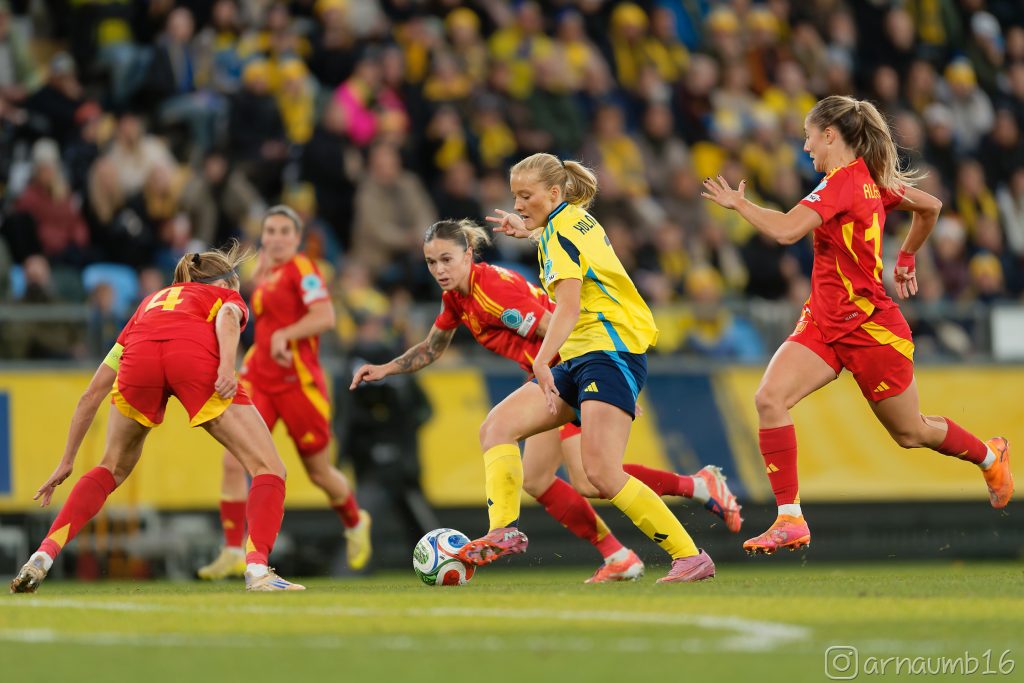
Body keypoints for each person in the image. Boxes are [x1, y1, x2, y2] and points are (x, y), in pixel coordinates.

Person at [700, 95, 1013, 555]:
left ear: (830, 134)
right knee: (769, 399)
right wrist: (905, 256)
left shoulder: (841, 185)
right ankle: (790, 519)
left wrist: (739, 206)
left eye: (809, 136)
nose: (806, 147)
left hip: (871, 329)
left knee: (911, 433)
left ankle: (990, 455)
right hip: (824, 323)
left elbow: (787, 230)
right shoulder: (872, 181)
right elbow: (931, 207)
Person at [351, 219, 741, 582]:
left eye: (447, 259)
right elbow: (433, 347)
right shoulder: (457, 297)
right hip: (555, 376)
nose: (439, 269)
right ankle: (621, 550)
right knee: (541, 477)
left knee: (592, 476)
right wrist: (386, 368)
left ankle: (691, 493)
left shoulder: (494, 292)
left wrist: (606, 386)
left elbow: (551, 324)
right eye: (431, 262)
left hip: (567, 370)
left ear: (469, 254)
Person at [454, 153, 716, 583]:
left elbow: (570, 306)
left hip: (608, 353)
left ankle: (690, 556)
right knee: (497, 428)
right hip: (585, 355)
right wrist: (531, 230)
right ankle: (501, 531)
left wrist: (540, 360)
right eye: (515, 195)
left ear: (554, 193)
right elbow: (565, 247)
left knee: (601, 473)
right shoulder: (571, 219)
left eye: (526, 196)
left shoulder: (560, 233)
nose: (518, 204)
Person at [11, 245, 303, 593]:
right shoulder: (221, 295)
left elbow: (92, 393)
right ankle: (257, 571)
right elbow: (227, 315)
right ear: (227, 282)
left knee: (112, 467)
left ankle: (43, 555)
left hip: (141, 362)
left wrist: (67, 460)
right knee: (269, 468)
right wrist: (227, 366)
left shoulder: (149, 303)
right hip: (192, 360)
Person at [198, 206, 371, 580]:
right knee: (233, 458)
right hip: (260, 377)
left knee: (320, 472)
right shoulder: (260, 273)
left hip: (298, 385)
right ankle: (232, 549)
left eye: (282, 232)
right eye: (269, 231)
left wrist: (284, 335)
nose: (275, 238)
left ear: (296, 238)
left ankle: (356, 522)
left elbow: (325, 317)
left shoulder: (304, 270)